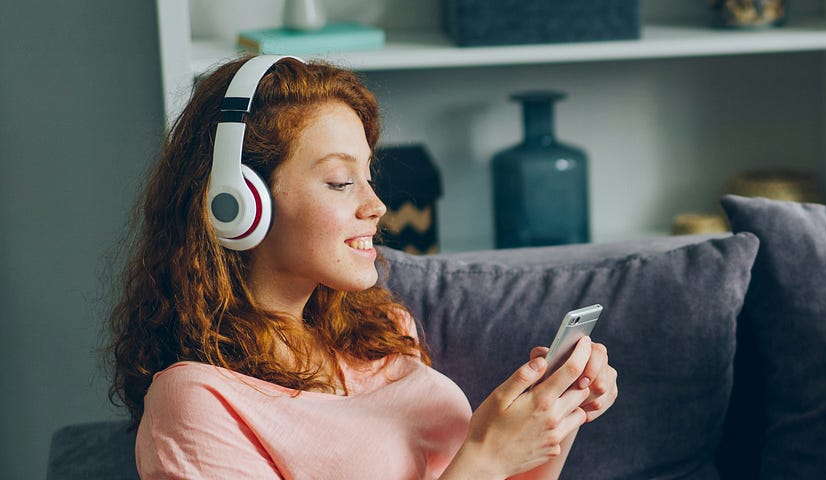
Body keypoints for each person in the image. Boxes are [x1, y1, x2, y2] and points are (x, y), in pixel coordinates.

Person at [106, 55, 618, 479]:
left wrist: (552, 422)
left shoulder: (380, 333)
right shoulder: (198, 400)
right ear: (238, 202)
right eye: (339, 182)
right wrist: (485, 459)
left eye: (368, 176)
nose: (376, 205)